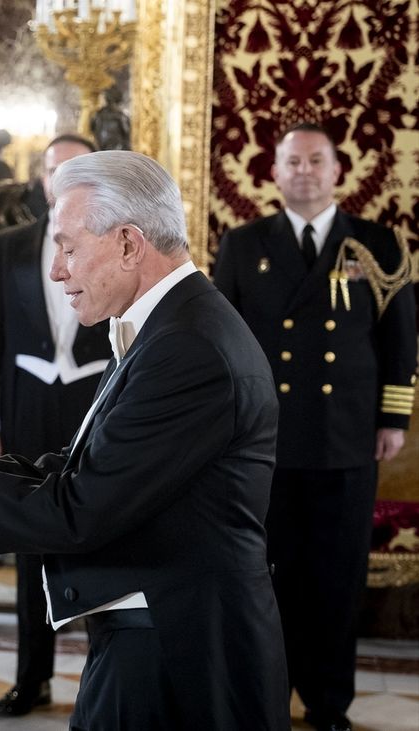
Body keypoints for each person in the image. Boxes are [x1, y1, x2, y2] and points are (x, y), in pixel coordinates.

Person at [0, 150, 290, 729]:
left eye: (68, 248)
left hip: (183, 657)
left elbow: (80, 509)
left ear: (128, 244)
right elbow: (76, 467)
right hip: (159, 636)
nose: (57, 270)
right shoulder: (170, 328)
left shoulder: (186, 348)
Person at [212, 123, 416, 731]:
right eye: (292, 161)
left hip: (347, 436)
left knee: (336, 579)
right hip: (265, 442)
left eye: (316, 160)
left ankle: (329, 704)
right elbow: (224, 342)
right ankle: (267, 696)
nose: (304, 170)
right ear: (272, 172)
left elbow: (400, 338)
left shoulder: (378, 245)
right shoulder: (244, 245)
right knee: (267, 577)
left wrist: (394, 417)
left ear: (338, 171)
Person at [0, 134, 107, 717]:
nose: (61, 176)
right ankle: (32, 677)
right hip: (27, 406)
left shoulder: (115, 243)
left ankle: (103, 676)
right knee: (28, 547)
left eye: (75, 168)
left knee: (100, 536)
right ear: (42, 178)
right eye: (53, 169)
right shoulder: (11, 246)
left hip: (95, 403)